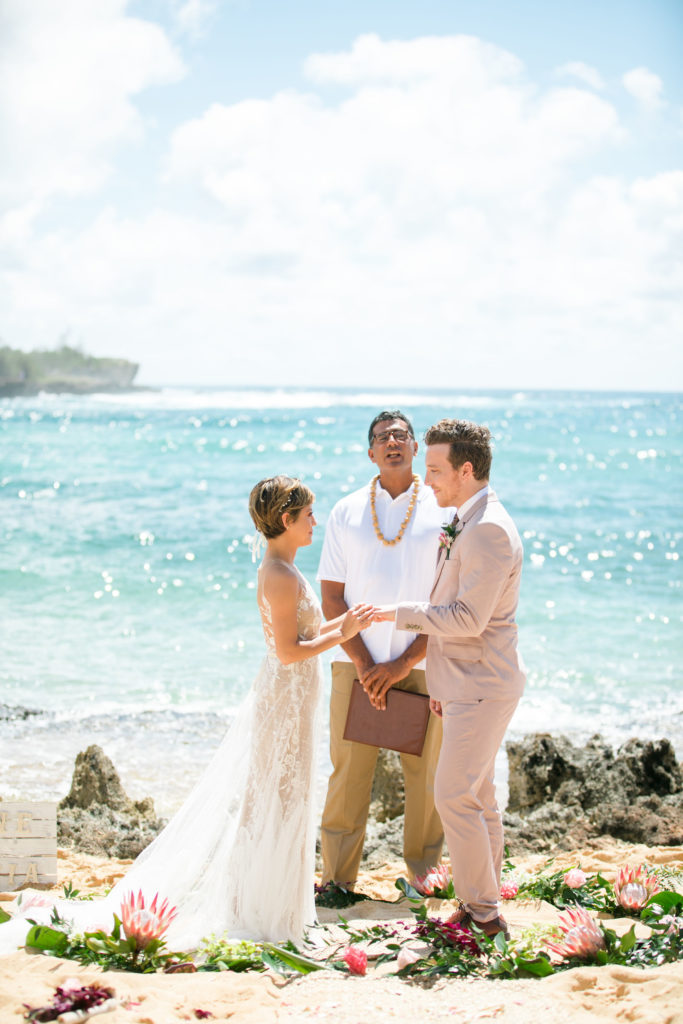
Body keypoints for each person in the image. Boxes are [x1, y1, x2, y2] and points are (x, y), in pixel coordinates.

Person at [0, 476, 374, 953]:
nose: (315, 523)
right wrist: (344, 633)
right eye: (308, 516)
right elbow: (287, 652)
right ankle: (261, 910)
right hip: (284, 696)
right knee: (276, 795)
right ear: (286, 520)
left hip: (296, 695)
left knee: (290, 792)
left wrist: (349, 621)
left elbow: (305, 636)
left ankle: (277, 907)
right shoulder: (278, 575)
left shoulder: (286, 569)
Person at [374, 419, 526, 939]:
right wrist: (439, 686)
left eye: (436, 469)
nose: (427, 478)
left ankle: (483, 915)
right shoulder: (469, 517)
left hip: (482, 682)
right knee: (477, 796)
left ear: (466, 469)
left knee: (453, 797)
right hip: (464, 683)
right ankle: (480, 902)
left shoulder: (486, 529)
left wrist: (398, 613)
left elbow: (466, 619)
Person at [317, 410, 450, 888]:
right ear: (370, 452)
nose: (392, 442)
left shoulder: (443, 509)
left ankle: (425, 878)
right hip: (355, 663)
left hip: (423, 662)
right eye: (382, 437)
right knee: (348, 774)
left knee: (427, 776)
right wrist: (368, 663)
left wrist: (402, 662)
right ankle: (336, 879)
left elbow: (449, 599)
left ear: (415, 447)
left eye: (401, 435)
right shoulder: (346, 510)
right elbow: (332, 596)